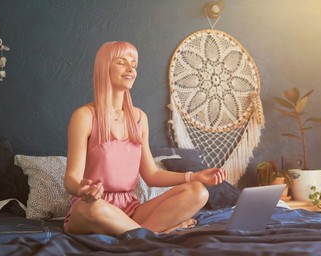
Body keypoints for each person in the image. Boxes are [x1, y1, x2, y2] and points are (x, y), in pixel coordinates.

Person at [63, 41, 228, 236]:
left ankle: (142, 234)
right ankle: (155, 232)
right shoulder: (84, 116)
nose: (130, 68)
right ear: (104, 67)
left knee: (198, 191)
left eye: (133, 64)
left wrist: (195, 176)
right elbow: (71, 179)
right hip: (93, 208)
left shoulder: (140, 118)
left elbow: (151, 174)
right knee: (90, 208)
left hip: (131, 211)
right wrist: (82, 189)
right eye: (121, 62)